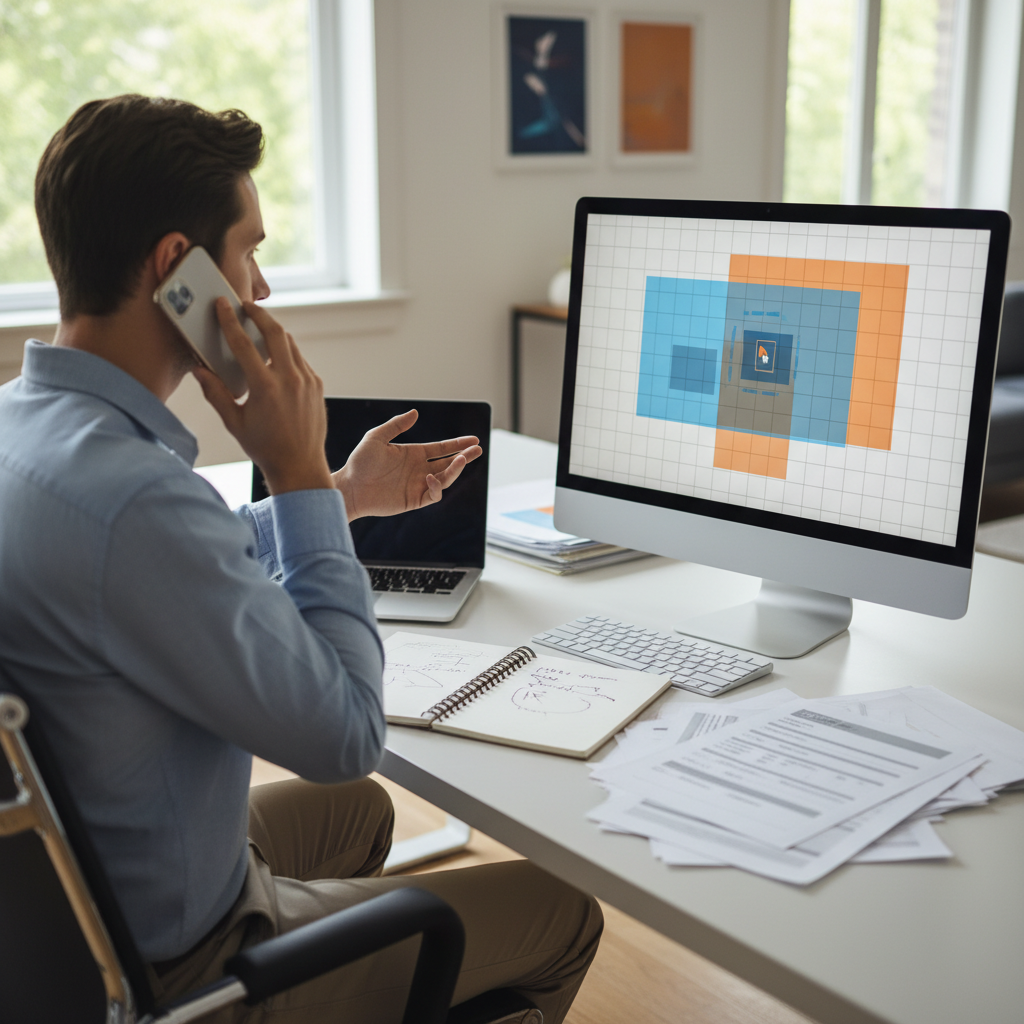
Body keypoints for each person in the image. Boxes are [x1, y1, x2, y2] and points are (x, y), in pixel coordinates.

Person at [0, 94, 602, 1023]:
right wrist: (298, 479)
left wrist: (339, 494)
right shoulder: (135, 499)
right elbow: (347, 731)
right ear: (178, 271)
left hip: (71, 897)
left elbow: (159, 572)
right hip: (181, 966)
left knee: (362, 812)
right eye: (249, 251)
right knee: (559, 909)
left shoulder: (26, 432)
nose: (263, 288)